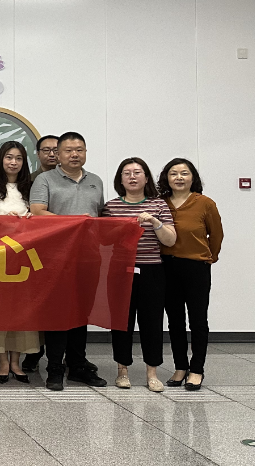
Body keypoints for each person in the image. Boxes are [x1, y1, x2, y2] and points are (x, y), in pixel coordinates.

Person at [29, 131, 108, 390]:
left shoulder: (95, 181)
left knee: (81, 312)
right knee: (57, 313)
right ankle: (54, 368)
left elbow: (99, 215)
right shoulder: (44, 179)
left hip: (88, 257)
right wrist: (75, 222)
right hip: (56, 257)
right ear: (58, 155)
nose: (75, 155)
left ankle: (77, 366)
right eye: (69, 150)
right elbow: (37, 212)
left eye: (79, 150)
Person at [102, 158, 176, 392]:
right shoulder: (111, 207)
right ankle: (122, 370)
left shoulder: (158, 205)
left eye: (137, 172)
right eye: (126, 173)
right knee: (121, 322)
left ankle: (152, 373)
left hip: (151, 270)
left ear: (146, 178)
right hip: (119, 272)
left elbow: (170, 240)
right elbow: (103, 240)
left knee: (151, 322)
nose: (132, 177)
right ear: (120, 179)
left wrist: (154, 222)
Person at [158, 159, 222, 391]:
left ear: (193, 177)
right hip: (167, 266)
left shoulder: (205, 203)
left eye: (184, 173)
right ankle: (180, 367)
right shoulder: (160, 203)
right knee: (174, 320)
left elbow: (216, 235)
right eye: (173, 173)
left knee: (198, 319)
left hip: (196, 267)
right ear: (166, 178)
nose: (179, 177)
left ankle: (197, 369)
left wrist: (209, 257)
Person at [0, 141, 39, 384]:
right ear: (1, 159)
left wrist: (30, 219)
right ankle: (3, 361)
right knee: (0, 309)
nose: (13, 162)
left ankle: (17, 362)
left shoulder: (32, 187)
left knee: (22, 310)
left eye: (18, 158)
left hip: (25, 256)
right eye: (9, 157)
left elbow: (41, 215)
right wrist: (1, 220)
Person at [21, 134, 59, 372]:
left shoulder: (77, 179)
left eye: (56, 149)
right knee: (37, 304)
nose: (51, 154)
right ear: (37, 154)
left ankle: (70, 358)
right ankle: (35, 352)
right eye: (46, 150)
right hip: (36, 250)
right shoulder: (30, 180)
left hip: (64, 249)